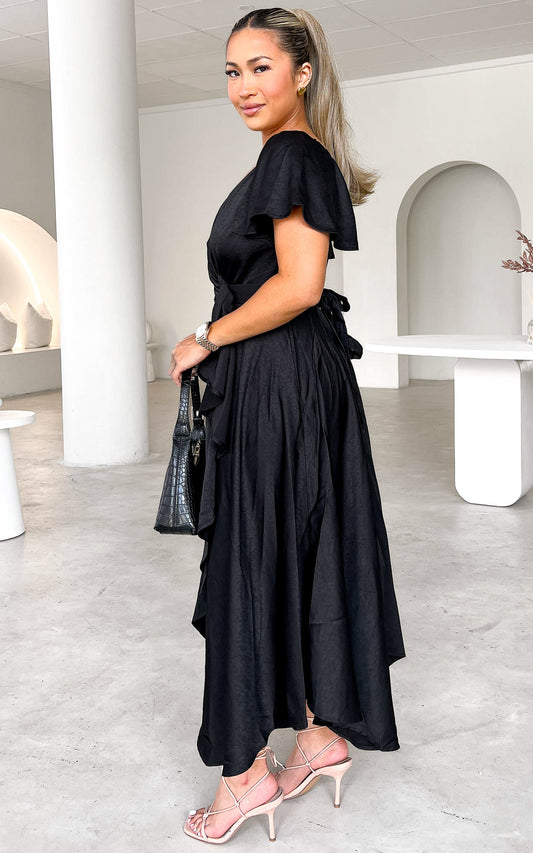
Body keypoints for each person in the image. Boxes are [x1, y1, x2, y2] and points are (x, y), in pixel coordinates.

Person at [168, 7, 405, 845]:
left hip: (279, 382)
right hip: (292, 380)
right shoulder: (291, 155)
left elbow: (300, 285)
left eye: (260, 67)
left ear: (302, 72)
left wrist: (206, 337)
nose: (243, 86)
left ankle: (242, 779)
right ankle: (317, 736)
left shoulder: (292, 156)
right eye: (232, 72)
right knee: (296, 549)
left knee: (256, 556)